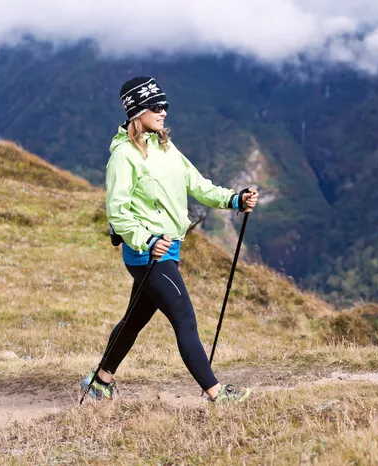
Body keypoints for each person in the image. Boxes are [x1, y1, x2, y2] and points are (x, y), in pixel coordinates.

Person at [81, 76, 258, 403]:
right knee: (185, 321)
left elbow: (198, 184)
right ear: (137, 111)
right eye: (155, 106)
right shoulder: (124, 156)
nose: (163, 111)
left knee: (134, 320)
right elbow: (117, 210)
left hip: (169, 247)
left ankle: (99, 382)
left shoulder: (164, 146)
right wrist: (145, 240)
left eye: (165, 105)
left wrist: (234, 200)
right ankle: (216, 394)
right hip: (146, 253)